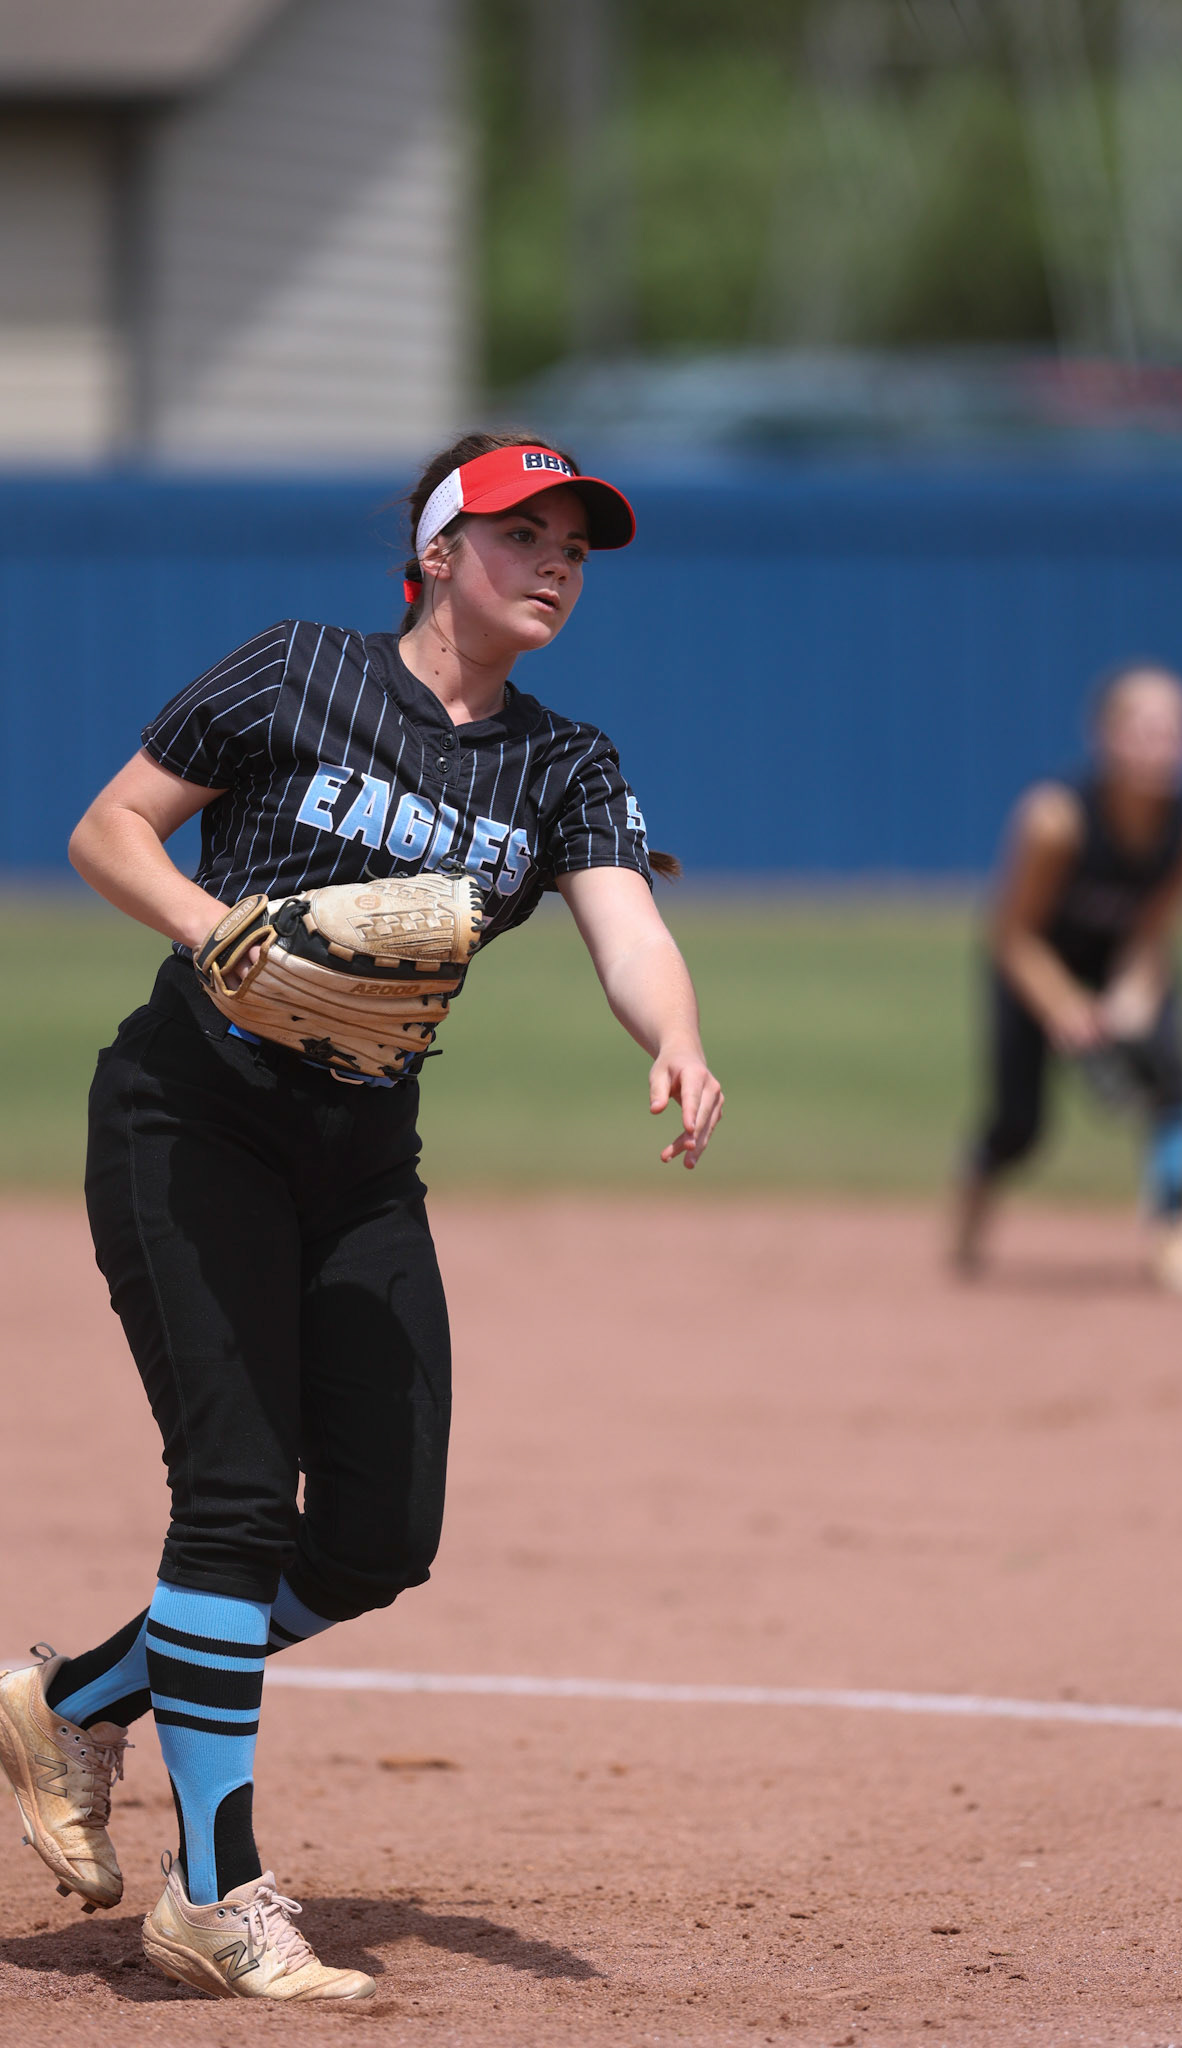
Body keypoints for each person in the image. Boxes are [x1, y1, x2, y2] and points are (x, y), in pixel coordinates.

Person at [0, 430, 723, 2001]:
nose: (555, 566)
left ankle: (76, 1700)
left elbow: (624, 917)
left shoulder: (561, 763)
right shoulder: (296, 672)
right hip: (187, 1122)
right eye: (525, 535)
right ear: (440, 550)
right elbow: (108, 827)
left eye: (576, 549)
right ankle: (220, 1888)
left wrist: (670, 1030)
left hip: (357, 1157)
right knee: (239, 1497)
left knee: (381, 1535)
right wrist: (216, 928)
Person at [953, 661, 1182, 1294]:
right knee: (1021, 1128)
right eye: (1141, 728)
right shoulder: (1057, 820)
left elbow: (1155, 932)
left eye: (1173, 730)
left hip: (1122, 963)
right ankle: (975, 1187)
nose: (1159, 745)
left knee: (1174, 1084)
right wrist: (1064, 1008)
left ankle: (1178, 1230)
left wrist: (1132, 999)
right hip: (1036, 965)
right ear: (1105, 737)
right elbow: (1012, 934)